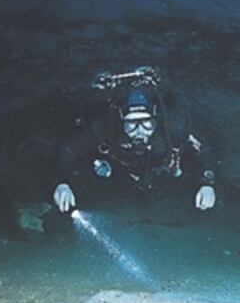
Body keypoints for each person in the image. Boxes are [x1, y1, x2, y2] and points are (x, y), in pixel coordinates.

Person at [52, 67, 217, 213]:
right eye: (131, 124)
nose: (140, 131)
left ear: (156, 119)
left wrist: (206, 183)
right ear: (121, 121)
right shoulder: (105, 127)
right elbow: (69, 149)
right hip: (118, 179)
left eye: (147, 123)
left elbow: (203, 149)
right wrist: (63, 183)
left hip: (161, 175)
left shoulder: (173, 126)